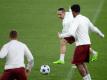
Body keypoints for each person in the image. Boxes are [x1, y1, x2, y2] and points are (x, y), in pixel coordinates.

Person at [58, 4, 104, 80]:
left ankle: (86, 79)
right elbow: (93, 28)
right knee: (82, 62)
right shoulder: (85, 18)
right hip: (88, 43)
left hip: (81, 45)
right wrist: (101, 34)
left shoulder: (76, 20)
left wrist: (61, 36)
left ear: (73, 12)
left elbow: (71, 33)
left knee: (77, 63)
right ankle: (89, 78)